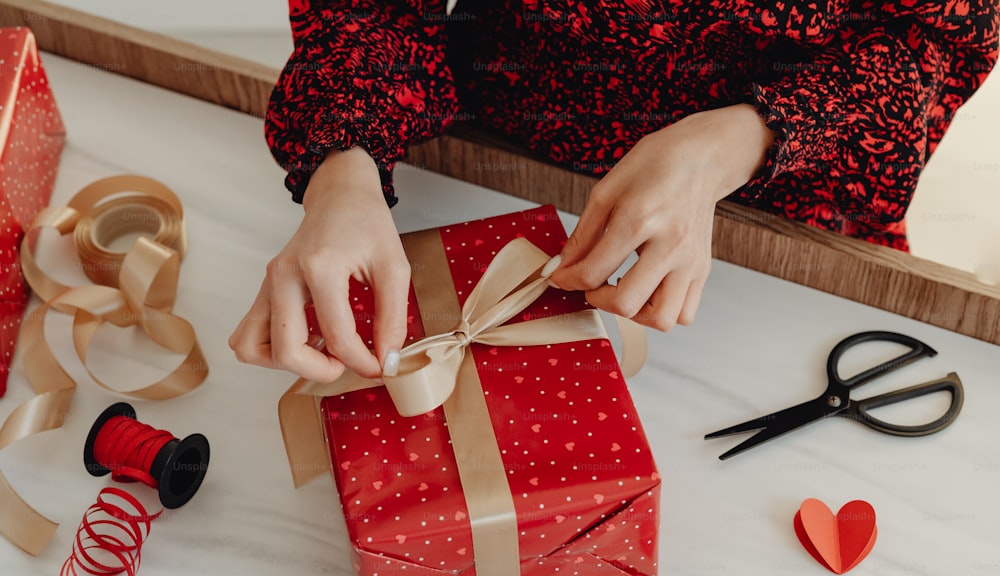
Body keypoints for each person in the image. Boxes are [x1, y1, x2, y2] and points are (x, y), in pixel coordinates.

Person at [230, 0, 998, 384]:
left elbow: (936, 40)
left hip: (791, 196)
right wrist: (344, 159)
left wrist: (742, 138)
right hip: (500, 141)